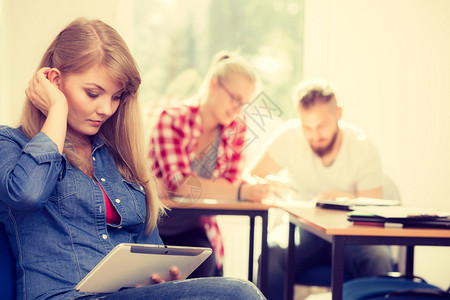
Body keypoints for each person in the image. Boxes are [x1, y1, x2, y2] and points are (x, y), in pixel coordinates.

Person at [0, 18, 266, 300]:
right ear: (54, 81)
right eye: (92, 93)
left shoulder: (116, 158)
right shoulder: (11, 143)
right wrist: (57, 110)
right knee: (239, 293)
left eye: (115, 97)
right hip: (64, 296)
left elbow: (149, 244)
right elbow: (27, 194)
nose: (106, 109)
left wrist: (160, 281)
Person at [248, 79, 394, 300]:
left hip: (351, 231)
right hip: (302, 228)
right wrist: (266, 185)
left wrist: (347, 199)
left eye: (322, 125)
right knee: (271, 253)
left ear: (338, 113)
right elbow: (251, 177)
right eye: (307, 127)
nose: (315, 135)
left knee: (378, 256)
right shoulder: (289, 136)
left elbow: (376, 204)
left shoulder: (362, 146)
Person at [148, 50, 271, 277]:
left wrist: (231, 189)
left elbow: (230, 182)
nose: (238, 109)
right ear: (213, 85)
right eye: (235, 99)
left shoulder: (237, 128)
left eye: (244, 103)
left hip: (194, 226)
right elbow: (182, 186)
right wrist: (238, 190)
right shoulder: (172, 119)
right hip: (154, 227)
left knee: (208, 266)